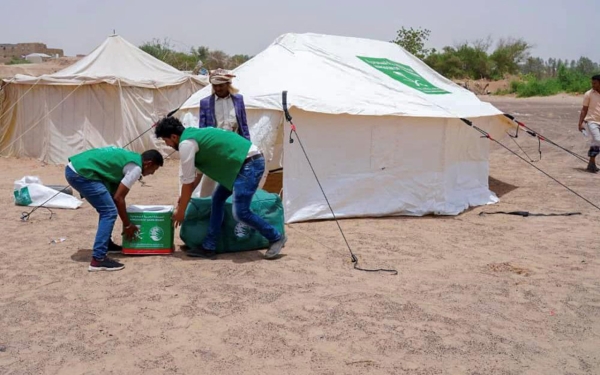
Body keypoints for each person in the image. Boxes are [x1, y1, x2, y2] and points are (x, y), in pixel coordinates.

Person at [154, 116, 286, 259]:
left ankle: (275, 237)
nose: (167, 145)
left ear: (173, 136)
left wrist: (181, 212)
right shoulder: (194, 137)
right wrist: (183, 199)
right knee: (217, 200)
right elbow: (194, 178)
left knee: (241, 212)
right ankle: (209, 247)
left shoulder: (186, 144)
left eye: (165, 140)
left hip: (248, 164)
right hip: (239, 165)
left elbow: (187, 181)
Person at [65, 147, 164, 272]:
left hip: (76, 168)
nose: (152, 173)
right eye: (153, 169)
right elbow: (119, 198)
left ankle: (106, 244)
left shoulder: (132, 158)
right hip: (81, 173)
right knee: (109, 212)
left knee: (107, 206)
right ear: (148, 163)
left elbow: (115, 196)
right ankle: (98, 259)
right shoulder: (136, 168)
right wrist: (127, 225)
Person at [195, 68, 252, 197]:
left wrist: (247, 146)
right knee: (209, 181)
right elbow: (202, 128)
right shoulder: (205, 103)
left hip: (234, 147)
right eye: (215, 86)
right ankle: (206, 205)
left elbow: (243, 124)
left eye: (221, 85)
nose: (218, 89)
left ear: (228, 84)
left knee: (234, 179)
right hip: (215, 148)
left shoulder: (238, 100)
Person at [578, 75, 600, 173]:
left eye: (595, 83)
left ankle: (591, 163)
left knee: (596, 142)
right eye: (592, 83)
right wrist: (580, 123)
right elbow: (584, 109)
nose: (593, 85)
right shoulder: (588, 94)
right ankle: (592, 162)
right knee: (598, 140)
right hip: (592, 121)